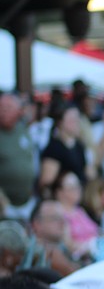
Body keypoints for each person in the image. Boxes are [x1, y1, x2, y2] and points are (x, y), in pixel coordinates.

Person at [38, 103, 93, 198]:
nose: (77, 123)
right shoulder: (54, 149)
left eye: (77, 119)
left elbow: (87, 173)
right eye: (72, 120)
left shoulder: (79, 145)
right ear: (60, 122)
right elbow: (46, 184)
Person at [0, 92, 38, 221]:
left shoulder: (23, 130)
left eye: (8, 108)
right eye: (1, 108)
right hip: (5, 206)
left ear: (18, 111)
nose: (3, 111)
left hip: (27, 202)